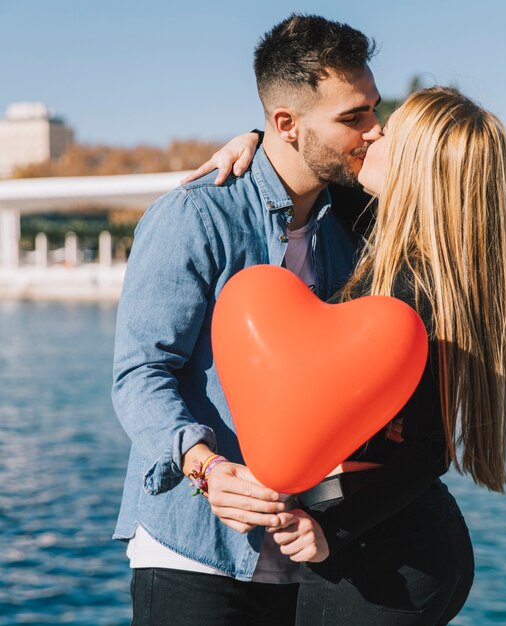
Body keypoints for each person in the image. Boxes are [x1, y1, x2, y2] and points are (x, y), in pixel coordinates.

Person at [185, 86, 506, 625]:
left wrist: (329, 533)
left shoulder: (415, 289)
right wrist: (257, 138)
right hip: (398, 546)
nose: (371, 134)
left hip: (381, 560)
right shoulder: (395, 242)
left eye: (387, 132)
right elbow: (309, 162)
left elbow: (427, 451)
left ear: (413, 167)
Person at [111, 14, 383, 626]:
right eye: (353, 117)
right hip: (194, 553)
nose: (374, 130)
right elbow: (140, 373)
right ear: (284, 124)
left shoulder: (352, 230)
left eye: (372, 109)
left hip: (309, 556)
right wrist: (206, 467)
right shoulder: (195, 215)